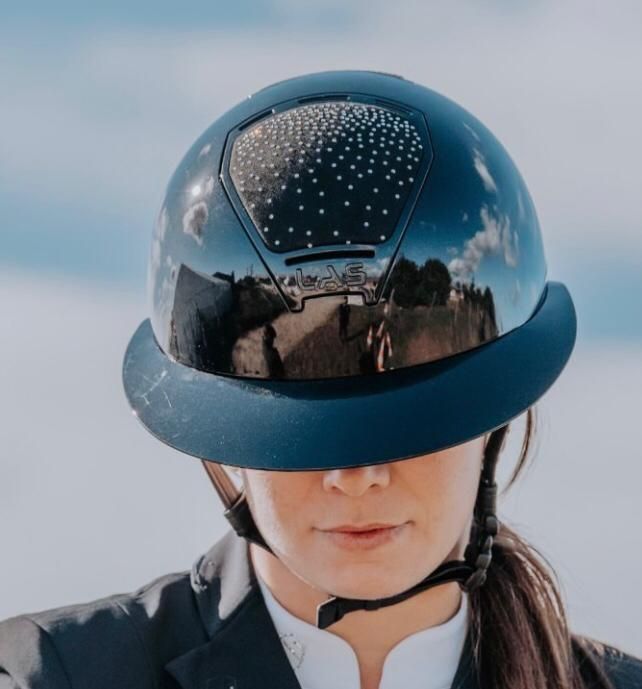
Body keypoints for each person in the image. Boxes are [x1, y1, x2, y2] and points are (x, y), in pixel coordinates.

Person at [0, 70, 640, 689]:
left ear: (494, 421)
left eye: (412, 424)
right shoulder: (53, 678)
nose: (357, 477)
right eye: (304, 437)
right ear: (224, 446)